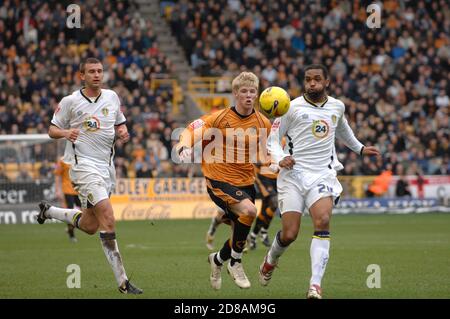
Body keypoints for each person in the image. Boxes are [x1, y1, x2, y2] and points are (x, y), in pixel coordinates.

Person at [259, 64, 380, 299]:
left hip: (322, 175)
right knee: (290, 234)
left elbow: (342, 130)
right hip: (293, 176)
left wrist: (361, 149)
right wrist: (281, 157)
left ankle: (315, 285)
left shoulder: (337, 106)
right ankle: (271, 259)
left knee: (322, 221)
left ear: (327, 82)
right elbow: (272, 140)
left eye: (316, 79)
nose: (311, 83)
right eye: (307, 79)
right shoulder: (290, 108)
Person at [36, 57, 142, 294]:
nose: (97, 75)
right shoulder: (70, 101)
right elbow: (52, 130)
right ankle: (123, 282)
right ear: (81, 75)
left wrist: (123, 132)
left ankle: (49, 211)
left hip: (107, 168)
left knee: (91, 225)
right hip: (82, 166)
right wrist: (65, 132)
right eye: (91, 71)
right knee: (108, 215)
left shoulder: (112, 97)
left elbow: (120, 124)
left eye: (100, 71)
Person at [176, 71, 272, 290]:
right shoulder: (219, 118)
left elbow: (270, 149)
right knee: (249, 212)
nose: (249, 95)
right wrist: (183, 145)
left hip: (246, 181)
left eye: (252, 91)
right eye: (244, 91)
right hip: (218, 179)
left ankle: (218, 259)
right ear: (235, 94)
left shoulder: (262, 122)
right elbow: (192, 129)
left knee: (239, 234)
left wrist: (278, 160)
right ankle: (236, 263)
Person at [246, 163, 279, 250]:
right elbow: (254, 161)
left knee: (265, 209)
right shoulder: (259, 150)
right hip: (263, 177)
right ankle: (264, 231)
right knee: (274, 203)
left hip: (277, 176)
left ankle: (253, 236)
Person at [54, 157, 81, 242]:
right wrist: (58, 190)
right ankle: (71, 235)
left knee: (84, 211)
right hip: (67, 190)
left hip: (78, 189)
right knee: (70, 213)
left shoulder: (79, 157)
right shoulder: (62, 160)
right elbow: (57, 175)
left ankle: (70, 228)